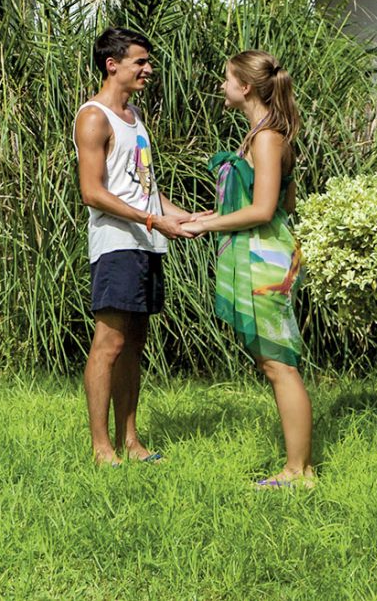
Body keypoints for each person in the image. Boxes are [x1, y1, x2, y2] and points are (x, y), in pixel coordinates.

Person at [75, 27, 207, 466]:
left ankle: (130, 442)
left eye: (148, 62)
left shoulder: (133, 116)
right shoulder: (94, 117)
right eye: (140, 62)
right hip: (117, 246)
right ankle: (102, 448)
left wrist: (186, 216)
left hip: (146, 243)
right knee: (109, 345)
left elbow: (145, 190)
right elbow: (92, 192)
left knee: (134, 346)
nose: (149, 69)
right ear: (112, 65)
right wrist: (153, 221)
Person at [188, 49, 314, 487]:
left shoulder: (266, 138)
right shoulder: (265, 134)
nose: (222, 86)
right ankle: (298, 467)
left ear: (245, 87)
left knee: (280, 365)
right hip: (264, 254)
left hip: (264, 260)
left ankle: (298, 471)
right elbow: (285, 203)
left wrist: (206, 226)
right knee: (274, 364)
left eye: (227, 79)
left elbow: (262, 210)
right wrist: (212, 215)